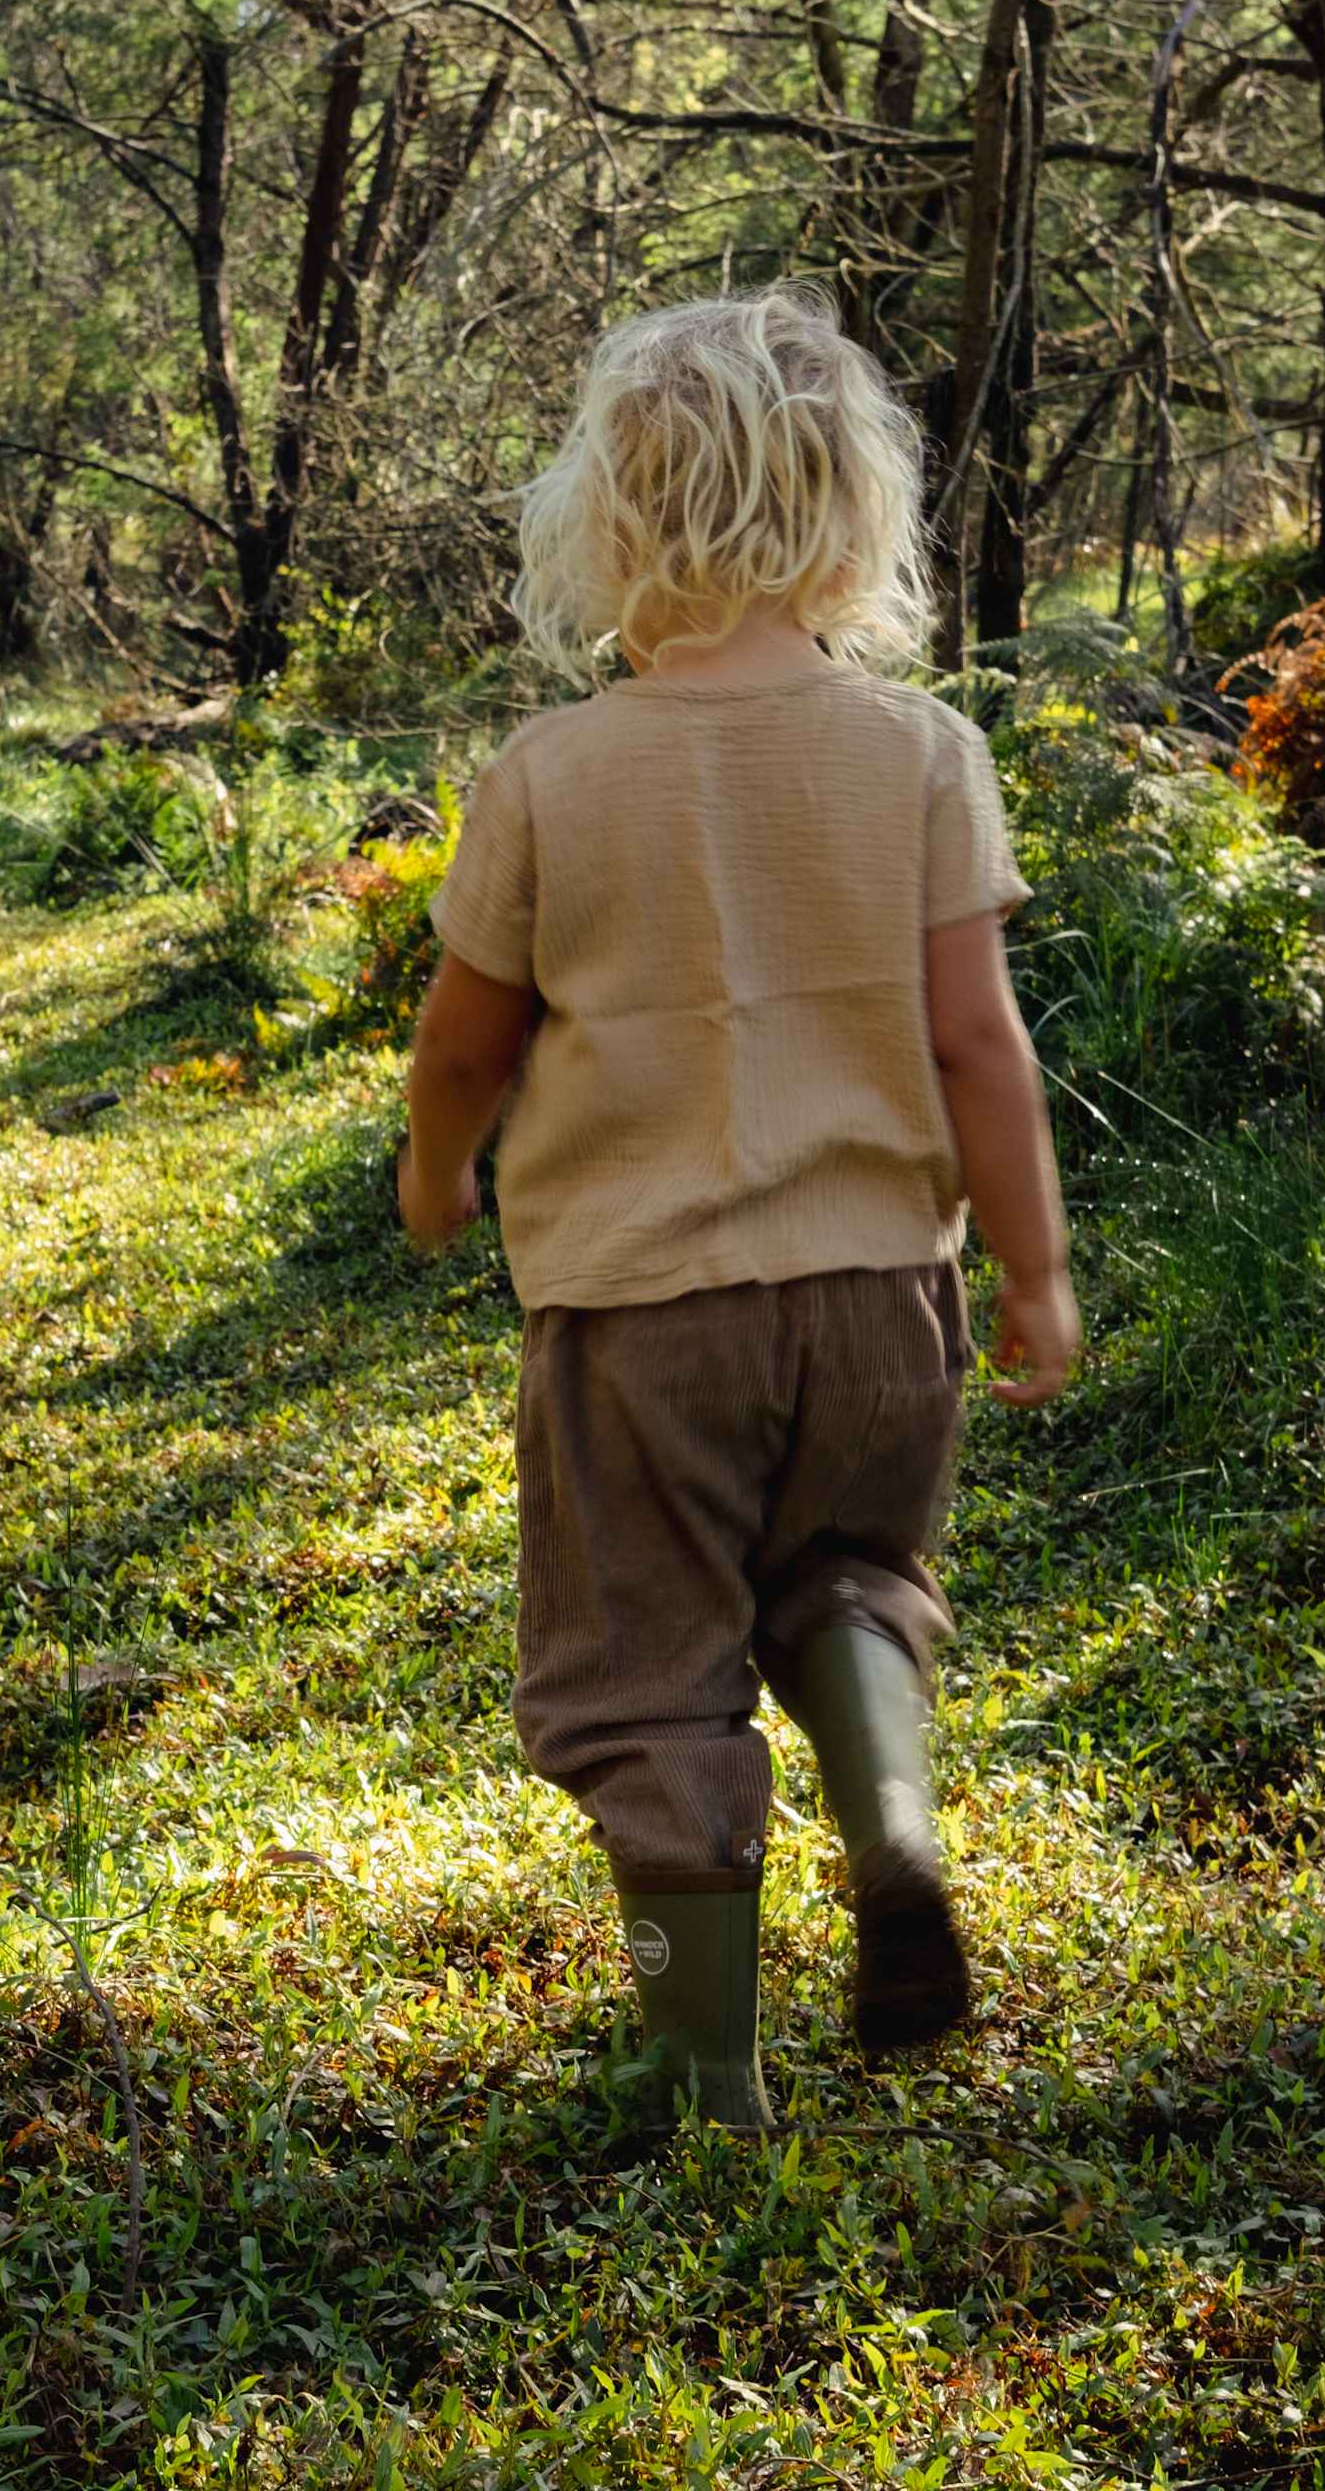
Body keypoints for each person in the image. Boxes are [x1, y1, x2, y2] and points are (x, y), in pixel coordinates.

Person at [396, 287, 1080, 2142]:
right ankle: (893, 1819)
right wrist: (1034, 1268)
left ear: (609, 521)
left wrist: (438, 1172)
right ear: (854, 515)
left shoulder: (550, 774)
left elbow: (465, 1041)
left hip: (641, 1318)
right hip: (882, 1305)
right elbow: (978, 1041)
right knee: (851, 1577)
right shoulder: (921, 750)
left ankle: (708, 2071)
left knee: (645, 1674)